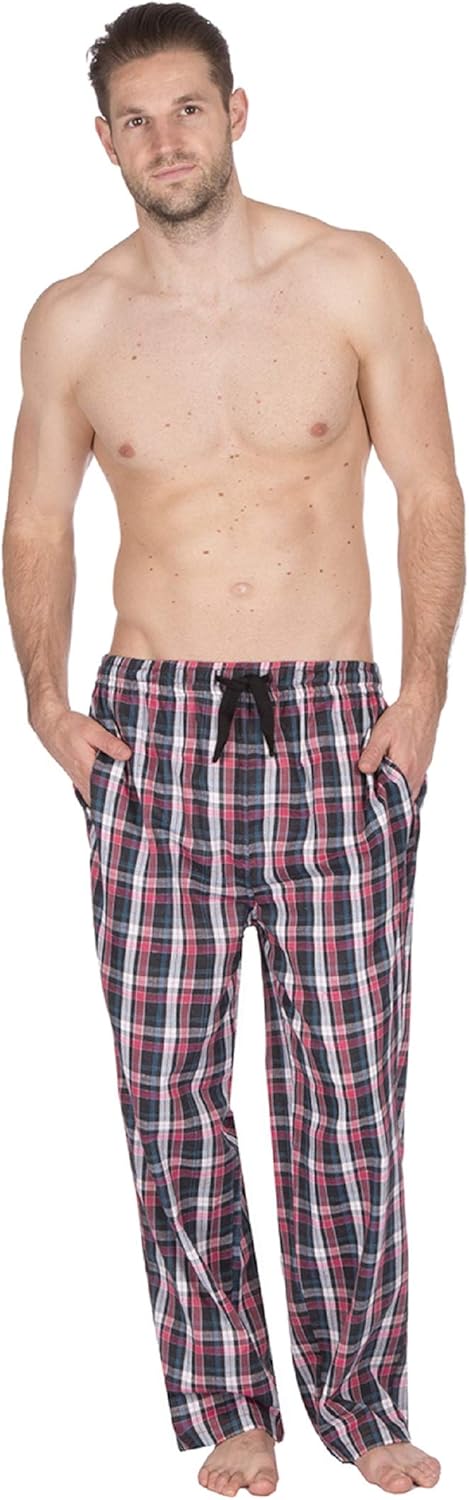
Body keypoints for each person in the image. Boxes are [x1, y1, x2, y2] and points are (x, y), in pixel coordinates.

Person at [3, 4, 465, 1494]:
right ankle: (229, 1406)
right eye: (135, 120)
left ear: (236, 111)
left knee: (349, 1087)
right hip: (151, 733)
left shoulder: (351, 275)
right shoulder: (73, 317)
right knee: (168, 1088)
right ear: (103, 142)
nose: (166, 141)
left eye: (186, 109)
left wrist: (420, 698)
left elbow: (429, 490)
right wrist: (47, 706)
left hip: (336, 725)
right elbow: (35, 520)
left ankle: (361, 1399)